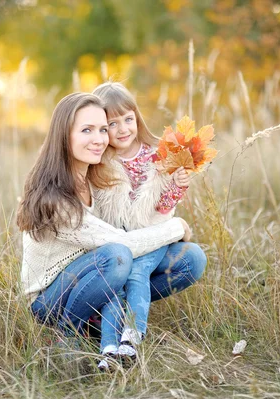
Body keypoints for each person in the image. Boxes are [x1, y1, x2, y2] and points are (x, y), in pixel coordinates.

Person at [17, 92, 191, 370]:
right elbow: (120, 244)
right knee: (117, 256)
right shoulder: (57, 196)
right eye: (87, 130)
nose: (99, 138)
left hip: (94, 277)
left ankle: (107, 321)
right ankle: (66, 331)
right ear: (64, 135)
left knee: (189, 258)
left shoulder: (92, 177)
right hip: (49, 301)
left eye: (101, 129)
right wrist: (176, 227)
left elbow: (128, 225)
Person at [91, 82, 207, 364]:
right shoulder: (101, 161)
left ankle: (131, 338)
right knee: (115, 286)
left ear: (137, 118)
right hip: (119, 239)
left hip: (153, 234)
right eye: (112, 123)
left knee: (137, 273)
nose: (123, 129)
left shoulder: (157, 154)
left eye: (128, 120)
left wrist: (177, 186)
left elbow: (163, 208)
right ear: (102, 129)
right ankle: (107, 349)